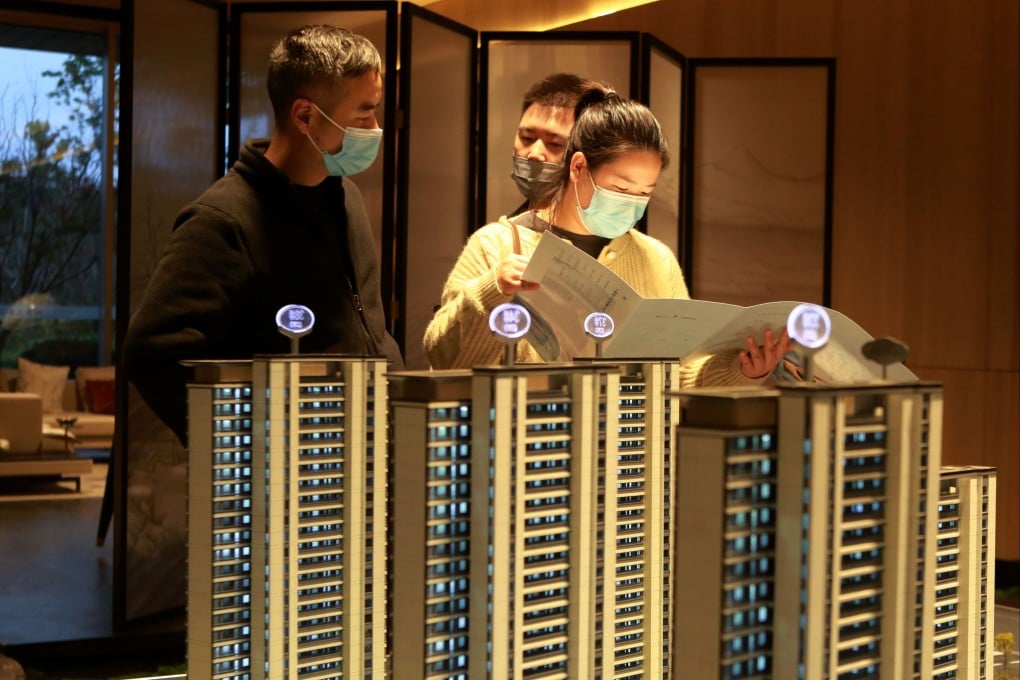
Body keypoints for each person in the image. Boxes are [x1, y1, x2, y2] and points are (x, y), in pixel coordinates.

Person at [123, 25, 403, 445]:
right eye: (363, 114)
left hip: (363, 465)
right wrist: (247, 446)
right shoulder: (223, 221)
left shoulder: (347, 197)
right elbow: (152, 354)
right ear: (305, 116)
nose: (375, 127)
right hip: (283, 486)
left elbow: (366, 327)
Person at [424, 85, 790, 384]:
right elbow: (443, 358)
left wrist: (741, 371)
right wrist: (492, 291)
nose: (632, 203)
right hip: (530, 446)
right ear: (579, 167)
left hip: (632, 452)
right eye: (621, 188)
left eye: (644, 193)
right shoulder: (497, 244)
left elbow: (682, 373)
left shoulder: (656, 259)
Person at [509, 73, 600, 217]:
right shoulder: (503, 234)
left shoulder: (606, 234)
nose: (535, 154)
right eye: (527, 138)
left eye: (555, 144)